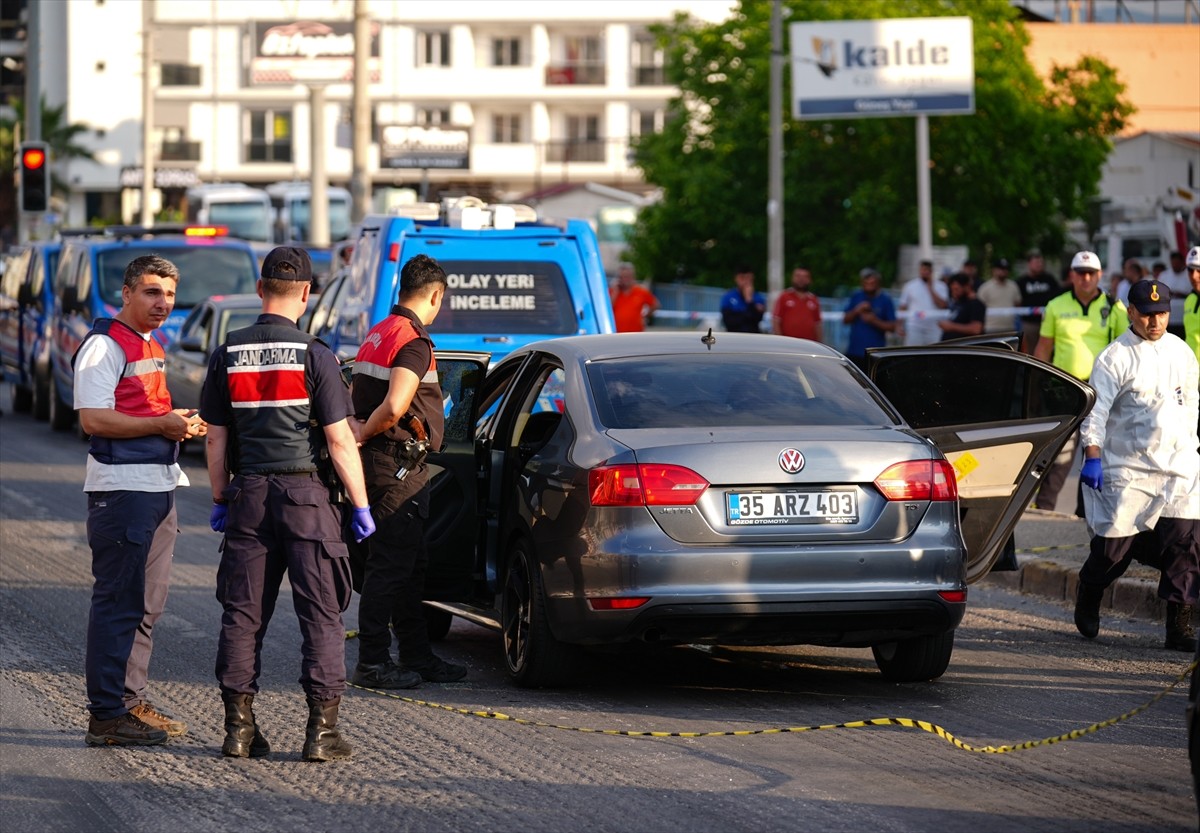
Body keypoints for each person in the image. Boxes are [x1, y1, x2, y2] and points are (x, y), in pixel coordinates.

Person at [202, 246, 375, 762]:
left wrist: (220, 495)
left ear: (259, 290)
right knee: (321, 616)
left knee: (242, 616)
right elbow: (341, 441)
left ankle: (238, 731)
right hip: (305, 497)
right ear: (306, 293)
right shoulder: (314, 354)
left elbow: (214, 437)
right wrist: (361, 506)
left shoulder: (227, 352)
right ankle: (321, 735)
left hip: (249, 495)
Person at [74, 255, 204, 747]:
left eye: (169, 294)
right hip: (122, 490)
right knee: (118, 602)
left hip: (157, 485)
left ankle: (129, 702)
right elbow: (94, 419)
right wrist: (161, 424)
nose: (162, 303)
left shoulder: (148, 341)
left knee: (147, 605)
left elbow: (142, 408)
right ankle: (106, 715)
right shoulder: (103, 345)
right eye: (152, 292)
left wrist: (179, 421)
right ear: (126, 293)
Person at [349, 254, 467, 689]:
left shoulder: (378, 333)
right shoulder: (414, 342)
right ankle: (373, 662)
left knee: (408, 566)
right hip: (397, 465)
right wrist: (364, 431)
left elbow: (354, 392)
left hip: (382, 466)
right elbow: (396, 406)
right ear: (435, 294)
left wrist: (358, 433)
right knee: (390, 567)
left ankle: (417, 656)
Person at [1073, 278, 1199, 651]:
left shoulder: (1182, 352)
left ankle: (1179, 628)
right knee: (1113, 551)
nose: (1155, 321)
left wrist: (1191, 451)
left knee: (1186, 545)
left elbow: (1190, 405)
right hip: (1128, 467)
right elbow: (1094, 415)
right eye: (1146, 314)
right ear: (1131, 312)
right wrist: (1092, 456)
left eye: (1161, 313)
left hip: (1178, 467)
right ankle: (1090, 590)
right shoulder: (1115, 358)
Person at [1032, 251, 1130, 515]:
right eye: (1080, 273)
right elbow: (1044, 347)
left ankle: (1084, 512)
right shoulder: (1056, 305)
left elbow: (1127, 349)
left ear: (1099, 275)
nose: (1086, 278)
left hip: (1101, 388)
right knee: (1059, 452)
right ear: (1072, 275)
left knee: (1095, 448)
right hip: (1065, 387)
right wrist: (1037, 381)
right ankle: (1044, 510)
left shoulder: (1115, 307)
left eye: (1091, 273)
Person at [842, 267, 897, 372]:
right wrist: (857, 310)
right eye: (866, 283)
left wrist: (874, 321)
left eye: (872, 283)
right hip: (855, 351)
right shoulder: (856, 296)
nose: (869, 285)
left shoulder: (885, 299)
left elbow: (892, 327)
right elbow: (845, 320)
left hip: (875, 353)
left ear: (877, 283)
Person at [1016, 251, 1061, 354]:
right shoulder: (1022, 281)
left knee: (1048, 349)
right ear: (1029, 264)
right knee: (1029, 351)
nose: (1039, 265)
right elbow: (1017, 301)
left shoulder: (1049, 279)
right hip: (1029, 323)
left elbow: (1057, 297)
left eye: (1041, 263)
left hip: (1047, 321)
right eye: (1036, 262)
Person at [897, 259, 947, 346]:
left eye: (928, 270)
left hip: (934, 327)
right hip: (914, 327)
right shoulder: (910, 286)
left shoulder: (941, 286)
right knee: (913, 355)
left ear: (931, 271)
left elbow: (943, 305)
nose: (925, 272)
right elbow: (903, 306)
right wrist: (899, 325)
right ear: (919, 270)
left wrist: (930, 288)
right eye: (923, 270)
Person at [771, 266, 823, 342]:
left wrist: (819, 343)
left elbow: (818, 324)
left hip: (809, 345)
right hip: (788, 344)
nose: (801, 279)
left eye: (804, 277)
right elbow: (776, 320)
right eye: (798, 276)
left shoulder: (814, 299)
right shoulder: (784, 296)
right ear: (793, 278)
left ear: (809, 280)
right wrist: (780, 341)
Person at [609, 262, 660, 333]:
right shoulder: (613, 291)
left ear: (633, 277)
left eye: (627, 277)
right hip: (616, 333)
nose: (624, 280)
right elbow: (607, 309)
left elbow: (655, 304)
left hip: (636, 333)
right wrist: (615, 293)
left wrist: (645, 316)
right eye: (622, 277)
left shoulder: (640, 291)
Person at [976, 257, 1022, 334]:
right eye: (1000, 268)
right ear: (993, 270)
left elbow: (1018, 304)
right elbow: (978, 307)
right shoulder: (985, 287)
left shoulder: (1013, 286)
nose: (1003, 271)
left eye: (1005, 269)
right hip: (991, 328)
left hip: (1010, 328)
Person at [938, 272, 986, 341]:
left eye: (956, 289)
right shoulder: (959, 304)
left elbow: (976, 329)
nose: (954, 293)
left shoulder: (976, 304)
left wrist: (951, 326)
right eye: (952, 290)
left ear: (967, 287)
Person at [720, 266, 766, 333]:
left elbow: (756, 319)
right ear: (736, 278)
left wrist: (749, 300)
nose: (745, 282)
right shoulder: (728, 297)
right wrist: (747, 314)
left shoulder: (758, 298)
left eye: (748, 278)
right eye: (742, 278)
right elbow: (728, 321)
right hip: (734, 335)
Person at [1164, 251, 1192, 339]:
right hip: (1169, 319)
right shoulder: (1164, 275)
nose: (1175, 265)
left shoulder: (1189, 275)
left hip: (1184, 318)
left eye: (1177, 263)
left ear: (1182, 262)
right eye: (1173, 263)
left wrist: (1182, 294)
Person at [1185, 246, 1200, 363]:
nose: (1194, 276)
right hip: (1192, 372)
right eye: (1190, 269)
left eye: (1199, 269)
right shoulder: (1189, 299)